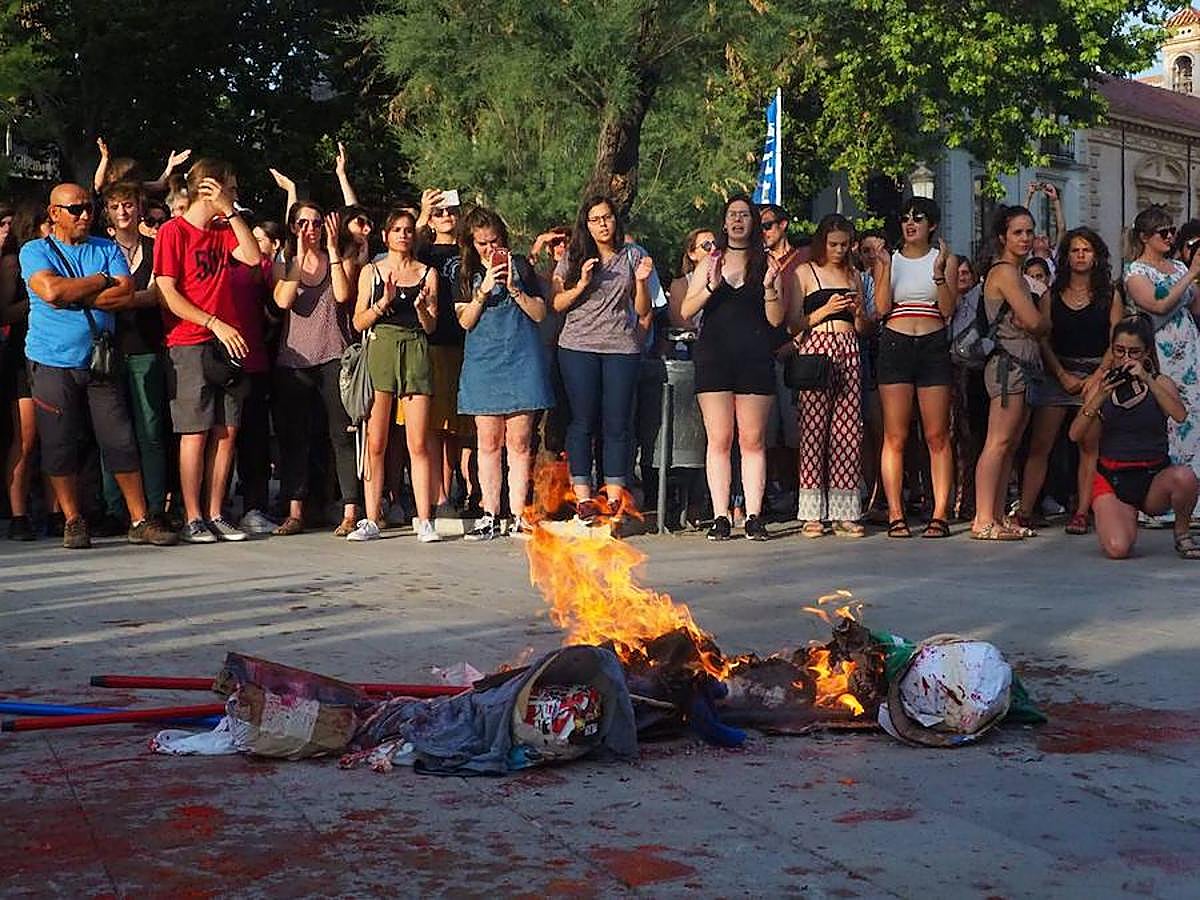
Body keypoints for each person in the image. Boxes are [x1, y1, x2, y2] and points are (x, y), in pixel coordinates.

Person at [20, 183, 177, 548]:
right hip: (51, 361)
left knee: (120, 438)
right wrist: (99, 282)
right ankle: (73, 519)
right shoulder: (35, 250)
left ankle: (139, 519)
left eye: (88, 207)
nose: (85, 215)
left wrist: (77, 290)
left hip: (100, 360)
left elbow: (124, 293)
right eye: (75, 209)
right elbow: (50, 292)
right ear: (54, 213)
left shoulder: (105, 247)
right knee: (60, 444)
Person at [155, 158, 262, 543]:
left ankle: (217, 511)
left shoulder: (223, 229)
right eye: (229, 188)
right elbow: (168, 292)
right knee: (195, 431)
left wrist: (232, 212)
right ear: (210, 188)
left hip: (227, 342)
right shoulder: (173, 231)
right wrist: (211, 321)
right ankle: (193, 515)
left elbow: (253, 257)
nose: (233, 195)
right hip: (189, 340)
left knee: (227, 430)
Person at [682, 195, 784, 541]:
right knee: (719, 438)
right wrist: (710, 286)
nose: (738, 221)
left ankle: (754, 514)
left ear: (754, 222)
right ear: (724, 223)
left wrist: (770, 288)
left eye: (745, 215)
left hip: (754, 357)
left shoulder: (766, 262)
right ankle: (721, 515)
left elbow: (775, 320)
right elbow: (686, 309)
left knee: (752, 440)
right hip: (715, 357)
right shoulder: (710, 261)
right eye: (732, 215)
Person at [551, 195, 654, 521]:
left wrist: (640, 281)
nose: (603, 224)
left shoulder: (633, 255)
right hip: (578, 345)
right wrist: (581, 283)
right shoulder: (574, 255)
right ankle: (582, 495)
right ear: (587, 224)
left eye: (607, 217)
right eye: (595, 219)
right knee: (582, 420)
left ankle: (613, 494)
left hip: (620, 347)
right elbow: (557, 304)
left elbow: (643, 311)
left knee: (617, 422)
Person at [454, 206, 553, 539]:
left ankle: (518, 514)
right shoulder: (464, 273)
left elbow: (540, 313)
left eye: (493, 241)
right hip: (484, 362)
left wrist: (513, 288)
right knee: (488, 440)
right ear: (471, 243)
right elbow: (465, 321)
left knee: (520, 441)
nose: (488, 248)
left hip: (521, 358)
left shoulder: (521, 266)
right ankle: (489, 513)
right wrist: (483, 292)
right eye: (481, 243)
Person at [1068, 315, 1200, 559]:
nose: (1126, 358)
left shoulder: (1160, 383)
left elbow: (1180, 415)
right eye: (1119, 351)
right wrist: (1099, 398)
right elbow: (1075, 434)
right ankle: (1121, 518)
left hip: (1152, 477)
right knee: (1118, 549)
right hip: (1113, 478)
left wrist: (1148, 379)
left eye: (1134, 352)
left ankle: (1182, 533)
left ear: (1146, 352)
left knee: (1186, 478)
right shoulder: (1101, 387)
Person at [1017, 228, 1121, 535]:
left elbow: (1117, 340)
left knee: (1089, 445)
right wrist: (1061, 374)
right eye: (1075, 250)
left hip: (1095, 374)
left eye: (1086, 250)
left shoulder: (1110, 295)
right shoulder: (1052, 294)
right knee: (1041, 444)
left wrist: (1099, 376)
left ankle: (1081, 511)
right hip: (1056, 371)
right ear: (1066, 256)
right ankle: (1024, 509)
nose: (1080, 256)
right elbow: (1042, 337)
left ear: (1096, 256)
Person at [348, 208, 439, 542]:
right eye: (396, 229)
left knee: (417, 441)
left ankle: (424, 518)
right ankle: (371, 517)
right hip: (382, 346)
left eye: (408, 229)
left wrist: (420, 309)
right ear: (385, 235)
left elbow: (430, 325)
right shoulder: (371, 271)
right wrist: (383, 303)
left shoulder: (427, 273)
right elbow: (357, 322)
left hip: (415, 348)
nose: (403, 234)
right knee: (376, 440)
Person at [271, 202, 358, 536]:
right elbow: (282, 301)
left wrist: (331, 251)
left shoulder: (338, 257)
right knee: (295, 439)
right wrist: (299, 257)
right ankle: (295, 510)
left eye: (317, 223)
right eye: (303, 223)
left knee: (341, 435)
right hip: (294, 362)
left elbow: (341, 294)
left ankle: (349, 510)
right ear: (294, 227)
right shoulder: (285, 263)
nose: (311, 229)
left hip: (333, 355)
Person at [873, 198, 958, 539]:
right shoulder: (889, 260)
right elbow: (880, 308)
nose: (910, 224)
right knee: (896, 434)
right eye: (905, 218)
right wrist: (883, 269)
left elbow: (948, 307)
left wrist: (939, 275)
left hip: (933, 342)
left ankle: (939, 512)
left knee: (937, 434)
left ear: (931, 225)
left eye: (918, 219)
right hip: (896, 342)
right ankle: (896, 513)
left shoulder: (943, 259)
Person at [790, 214, 871, 537]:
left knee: (848, 430)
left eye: (844, 244)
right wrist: (824, 310)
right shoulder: (805, 273)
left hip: (849, 344)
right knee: (813, 431)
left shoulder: (854, 275)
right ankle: (811, 512)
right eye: (833, 244)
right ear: (822, 242)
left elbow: (864, 328)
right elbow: (794, 323)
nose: (839, 250)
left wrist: (857, 313)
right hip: (817, 347)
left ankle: (844, 509)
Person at [971, 206, 1049, 540]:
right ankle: (984, 519)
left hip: (1020, 365)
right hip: (1008, 365)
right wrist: (1041, 320)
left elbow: (1035, 323)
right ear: (1003, 236)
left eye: (1029, 231)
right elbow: (1036, 323)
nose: (1026, 238)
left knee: (1009, 443)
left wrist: (1037, 321)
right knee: (998, 442)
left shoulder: (1016, 273)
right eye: (1018, 232)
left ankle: (997, 515)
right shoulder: (1004, 272)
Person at [98, 182, 170, 532]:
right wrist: (134, 296)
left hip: (146, 347)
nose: (123, 211)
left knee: (151, 431)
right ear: (108, 213)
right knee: (113, 433)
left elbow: (159, 294)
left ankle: (154, 507)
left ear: (139, 209)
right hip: (106, 350)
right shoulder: (99, 250)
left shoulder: (157, 249)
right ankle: (116, 508)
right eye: (116, 207)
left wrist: (119, 297)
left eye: (128, 205)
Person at [1123, 206, 1200, 523]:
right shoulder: (1136, 272)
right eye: (1163, 232)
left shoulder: (1178, 266)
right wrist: (1192, 274)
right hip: (1162, 350)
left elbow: (1193, 306)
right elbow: (1157, 305)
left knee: (1194, 421)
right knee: (1168, 421)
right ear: (1145, 237)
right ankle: (1162, 500)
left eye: (1172, 231)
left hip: (1190, 348)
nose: (1170, 236)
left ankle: (1192, 499)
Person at [413, 188, 474, 517]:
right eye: (440, 212)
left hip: (466, 342)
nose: (447, 217)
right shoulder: (423, 251)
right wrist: (423, 213)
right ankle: (437, 496)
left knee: (459, 428)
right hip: (433, 342)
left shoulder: (469, 251)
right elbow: (403, 249)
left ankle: (458, 491)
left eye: (452, 211)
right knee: (435, 426)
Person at [1, 203, 36, 539]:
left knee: (56, 438)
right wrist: (37, 299)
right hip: (21, 355)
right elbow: (4, 311)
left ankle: (56, 512)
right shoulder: (15, 263)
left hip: (53, 354)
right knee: (24, 438)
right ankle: (18, 514)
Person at [667, 228, 716, 328]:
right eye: (707, 245)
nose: (713, 249)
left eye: (716, 243)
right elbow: (681, 320)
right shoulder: (681, 284)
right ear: (692, 254)